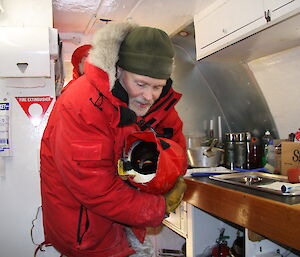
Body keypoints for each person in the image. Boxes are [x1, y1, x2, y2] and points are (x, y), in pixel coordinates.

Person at [40, 22, 187, 257]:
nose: (148, 96)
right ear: (117, 70)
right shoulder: (81, 105)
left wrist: (167, 177)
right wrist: (159, 207)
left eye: (157, 87)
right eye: (140, 84)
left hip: (126, 225)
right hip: (87, 232)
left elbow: (176, 146)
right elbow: (95, 189)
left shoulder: (158, 102)